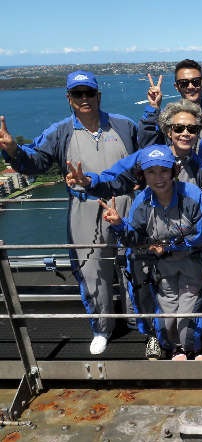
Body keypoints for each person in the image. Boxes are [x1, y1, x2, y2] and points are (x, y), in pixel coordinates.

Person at [66, 99, 202, 359]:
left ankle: (192, 343)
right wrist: (89, 181)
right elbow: (114, 178)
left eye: (192, 129)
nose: (185, 133)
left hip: (186, 247)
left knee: (192, 296)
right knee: (146, 293)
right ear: (168, 131)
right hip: (148, 240)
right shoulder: (146, 158)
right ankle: (155, 338)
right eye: (178, 128)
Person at [0, 70, 139, 355]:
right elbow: (37, 163)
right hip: (84, 207)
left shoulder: (125, 126)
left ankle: (139, 322)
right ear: (69, 99)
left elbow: (143, 162)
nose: (85, 99)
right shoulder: (60, 131)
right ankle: (102, 327)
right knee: (91, 269)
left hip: (125, 202)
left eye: (89, 93)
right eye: (78, 94)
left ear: (99, 95)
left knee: (134, 264)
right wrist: (13, 150)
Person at [100, 145, 202, 360]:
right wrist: (119, 225)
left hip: (191, 261)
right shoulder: (142, 202)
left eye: (163, 170)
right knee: (168, 310)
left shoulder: (192, 195)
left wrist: (168, 246)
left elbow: (200, 235)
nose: (158, 177)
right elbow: (135, 239)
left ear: (173, 171)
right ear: (143, 175)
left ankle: (195, 347)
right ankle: (176, 346)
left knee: (189, 307)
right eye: (151, 172)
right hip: (162, 266)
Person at [139, 59, 202, 146]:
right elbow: (147, 144)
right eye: (184, 83)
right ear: (176, 87)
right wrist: (154, 106)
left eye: (196, 82)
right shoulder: (167, 118)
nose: (190, 86)